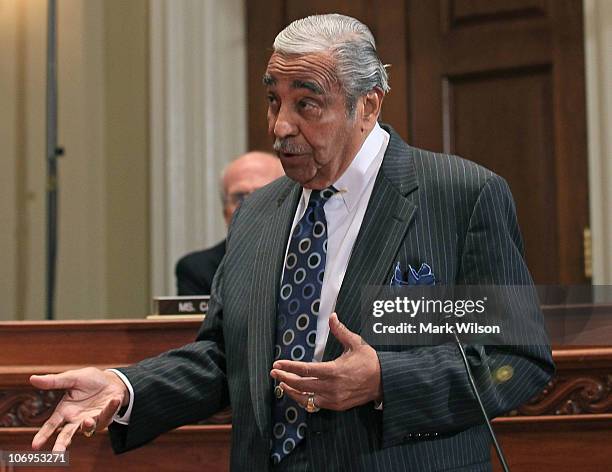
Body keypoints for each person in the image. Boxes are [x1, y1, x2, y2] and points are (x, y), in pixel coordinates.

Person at [30, 14, 553, 471]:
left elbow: (514, 360)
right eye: (273, 101)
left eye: (308, 104)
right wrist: (127, 388)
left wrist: (384, 381)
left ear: (367, 106)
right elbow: (225, 358)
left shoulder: (459, 196)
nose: (281, 126)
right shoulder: (259, 211)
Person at [175, 151, 284, 295]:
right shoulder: (198, 270)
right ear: (225, 212)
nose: (249, 206)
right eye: (239, 197)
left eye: (263, 194)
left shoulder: (307, 259)